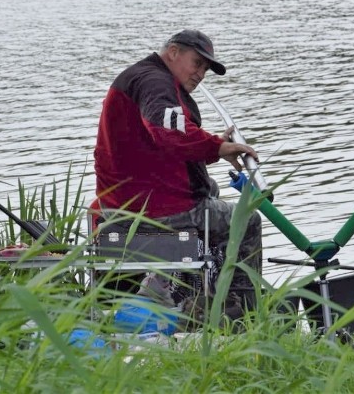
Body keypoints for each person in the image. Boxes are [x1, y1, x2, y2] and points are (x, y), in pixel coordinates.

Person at [93, 29, 263, 316]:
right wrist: (217, 147)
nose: (200, 74)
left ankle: (194, 289)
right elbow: (169, 133)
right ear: (173, 52)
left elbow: (163, 148)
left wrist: (212, 148)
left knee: (210, 189)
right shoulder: (156, 83)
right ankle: (242, 313)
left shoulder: (143, 77)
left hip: (127, 197)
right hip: (150, 208)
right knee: (247, 220)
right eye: (197, 63)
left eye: (206, 69)